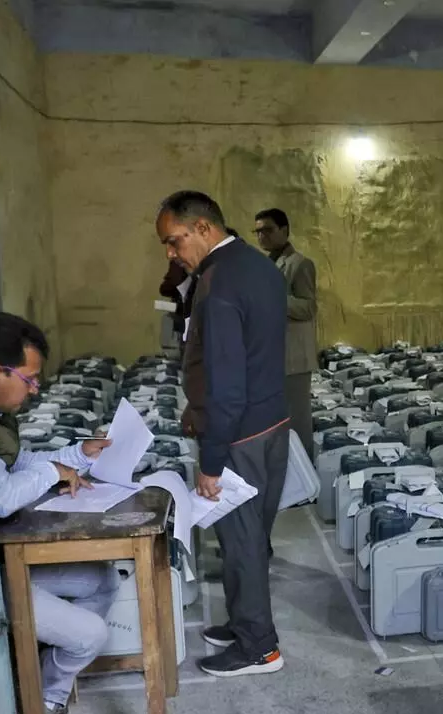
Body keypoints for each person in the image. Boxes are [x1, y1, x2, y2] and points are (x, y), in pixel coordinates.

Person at [157, 191, 289, 678]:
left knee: (241, 542)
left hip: (238, 435)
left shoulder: (218, 285)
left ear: (203, 228)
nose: (170, 252)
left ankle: (259, 648)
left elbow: (226, 383)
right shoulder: (257, 266)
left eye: (174, 241)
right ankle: (243, 622)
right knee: (250, 537)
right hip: (271, 423)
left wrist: (212, 460)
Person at [0, 312, 117, 714]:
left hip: (2, 560)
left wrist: (79, 454)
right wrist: (55, 471)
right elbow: (2, 498)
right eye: (30, 379)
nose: (35, 390)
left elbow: (21, 463)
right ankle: (33, 704)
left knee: (103, 578)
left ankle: (44, 693)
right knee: (91, 636)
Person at [254, 208, 318, 459]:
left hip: (294, 358)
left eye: (268, 230)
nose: (262, 236)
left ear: (285, 230)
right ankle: (284, 473)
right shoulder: (265, 265)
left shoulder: (300, 264)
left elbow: (308, 307)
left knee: (297, 423)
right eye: (258, 232)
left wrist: (274, 298)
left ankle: (306, 475)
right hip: (272, 356)